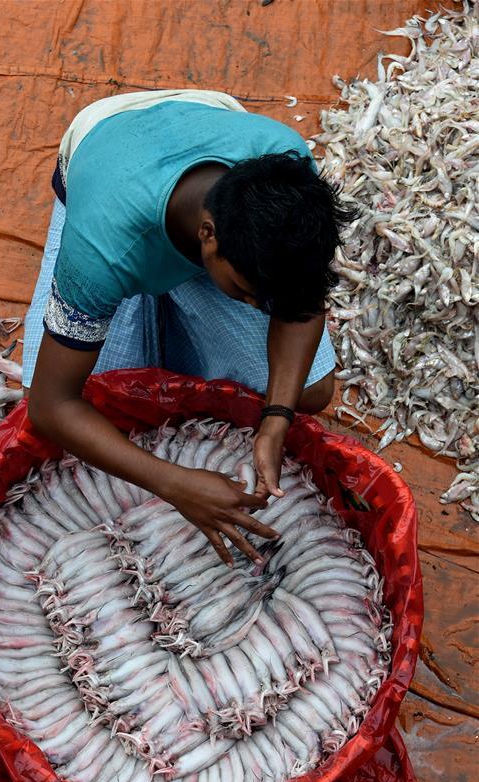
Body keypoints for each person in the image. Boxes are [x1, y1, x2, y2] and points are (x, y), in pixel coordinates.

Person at [23, 89, 352, 565]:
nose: (259, 308)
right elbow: (50, 406)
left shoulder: (290, 176)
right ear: (208, 235)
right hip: (103, 152)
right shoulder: (103, 248)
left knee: (313, 391)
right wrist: (175, 483)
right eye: (244, 291)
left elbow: (298, 306)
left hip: (209, 125)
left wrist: (275, 420)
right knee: (88, 403)